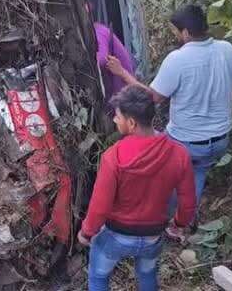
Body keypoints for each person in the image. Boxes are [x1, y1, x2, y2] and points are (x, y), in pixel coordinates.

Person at [106, 3, 232, 209]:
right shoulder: (227, 50)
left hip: (186, 142)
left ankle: (169, 218)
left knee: (163, 166)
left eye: (176, 32)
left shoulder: (178, 59)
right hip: (220, 139)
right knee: (195, 173)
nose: (176, 36)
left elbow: (152, 98)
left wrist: (121, 73)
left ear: (187, 32)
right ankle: (182, 221)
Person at [78, 85, 196, 291]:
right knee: (147, 274)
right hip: (153, 236)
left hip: (116, 235)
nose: (115, 120)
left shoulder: (113, 156)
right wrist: (178, 223)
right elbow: (188, 202)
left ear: (131, 123)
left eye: (117, 117)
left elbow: (100, 206)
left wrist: (87, 233)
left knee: (98, 277)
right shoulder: (179, 153)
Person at [94, 20, 136, 107]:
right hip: (121, 95)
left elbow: (102, 59)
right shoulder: (98, 30)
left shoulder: (98, 31)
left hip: (123, 95)